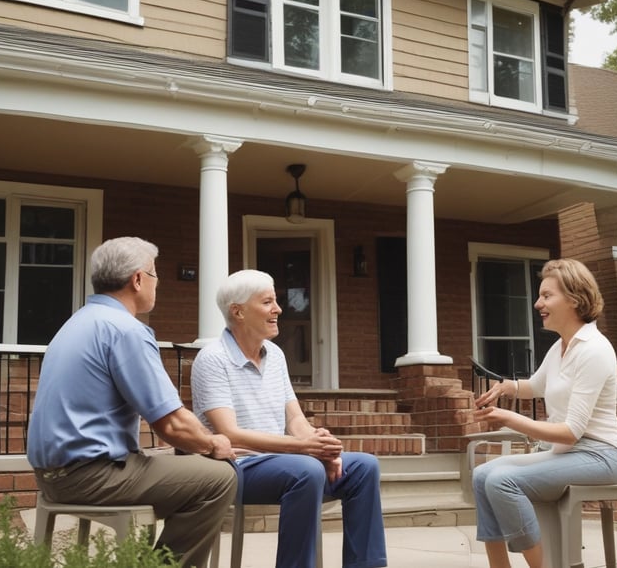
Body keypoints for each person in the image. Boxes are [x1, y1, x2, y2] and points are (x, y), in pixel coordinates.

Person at [26, 237, 238, 568]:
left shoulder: (77, 323)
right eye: (154, 274)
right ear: (138, 279)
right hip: (91, 476)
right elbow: (171, 424)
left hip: (50, 476)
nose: (158, 283)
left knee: (181, 468)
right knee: (218, 478)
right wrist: (213, 443)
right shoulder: (126, 329)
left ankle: (143, 559)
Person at [190, 269, 387, 568]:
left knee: (363, 467)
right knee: (306, 469)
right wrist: (304, 449)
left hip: (286, 463)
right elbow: (230, 434)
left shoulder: (276, 355)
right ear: (238, 311)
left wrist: (320, 446)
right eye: (268, 302)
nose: (278, 309)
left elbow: (295, 418)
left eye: (276, 301)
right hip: (236, 467)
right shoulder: (212, 358)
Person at [471, 258, 617, 568]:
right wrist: (504, 388)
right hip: (568, 453)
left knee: (502, 481)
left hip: (599, 456)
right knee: (481, 474)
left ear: (574, 299)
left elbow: (572, 431)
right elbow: (534, 386)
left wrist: (511, 420)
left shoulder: (594, 349)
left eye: (546, 295)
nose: (537, 303)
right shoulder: (560, 347)